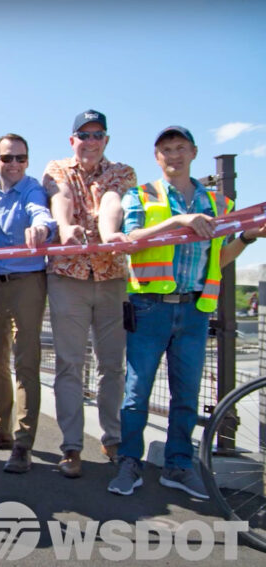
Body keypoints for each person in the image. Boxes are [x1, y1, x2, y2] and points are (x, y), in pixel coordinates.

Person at [108, 126, 265, 498]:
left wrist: (244, 238)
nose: (174, 155)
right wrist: (177, 222)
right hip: (149, 308)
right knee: (136, 392)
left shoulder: (218, 204)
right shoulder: (141, 196)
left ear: (193, 152)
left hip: (195, 309)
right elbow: (129, 244)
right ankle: (129, 461)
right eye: (166, 150)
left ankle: (178, 465)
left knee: (186, 394)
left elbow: (221, 258)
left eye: (180, 148)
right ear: (156, 156)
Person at [41, 110, 136, 478]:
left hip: (111, 277)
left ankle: (112, 438)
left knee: (112, 365)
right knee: (69, 364)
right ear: (72, 140)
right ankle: (71, 446)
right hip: (69, 278)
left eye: (98, 135)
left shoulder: (122, 172)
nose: (91, 142)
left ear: (106, 140)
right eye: (84, 134)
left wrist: (109, 233)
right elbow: (61, 196)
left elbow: (112, 199)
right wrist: (65, 228)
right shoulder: (58, 168)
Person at [0, 134, 56, 474]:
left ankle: (23, 442)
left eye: (21, 158)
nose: (15, 164)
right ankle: (1, 430)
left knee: (26, 362)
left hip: (28, 283)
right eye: (8, 159)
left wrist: (41, 227)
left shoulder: (33, 190)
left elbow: (41, 215)